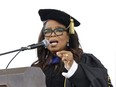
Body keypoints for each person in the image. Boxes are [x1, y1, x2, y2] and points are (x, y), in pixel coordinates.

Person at [31, 9, 113, 87]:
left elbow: (99, 84)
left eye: (59, 30)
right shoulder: (37, 68)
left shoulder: (85, 61)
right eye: (47, 31)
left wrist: (73, 68)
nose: (52, 34)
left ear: (68, 36)